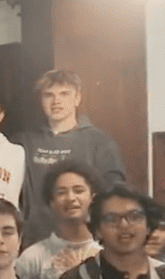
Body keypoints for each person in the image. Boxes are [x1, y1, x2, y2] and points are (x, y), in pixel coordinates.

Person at [19, 69, 126, 248]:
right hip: (35, 241)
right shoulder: (24, 141)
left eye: (64, 94)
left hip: (85, 241)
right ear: (41, 100)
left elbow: (113, 196)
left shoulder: (99, 141)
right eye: (48, 95)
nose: (56, 101)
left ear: (77, 99)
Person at [17, 161, 103, 279]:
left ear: (93, 198)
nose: (71, 198)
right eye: (61, 192)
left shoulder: (107, 253)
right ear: (51, 202)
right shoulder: (32, 258)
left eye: (78, 191)